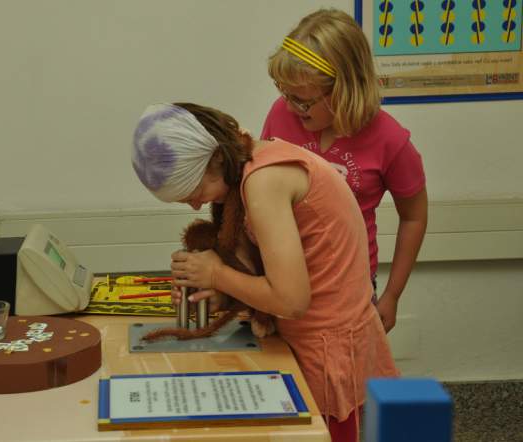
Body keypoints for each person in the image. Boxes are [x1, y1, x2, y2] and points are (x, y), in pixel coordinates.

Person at [131, 102, 398, 442]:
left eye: (194, 192)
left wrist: (216, 275)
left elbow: (291, 299)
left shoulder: (264, 181)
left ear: (215, 159)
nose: (197, 205)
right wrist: (224, 294)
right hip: (308, 335)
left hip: (326, 345)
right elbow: (273, 269)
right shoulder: (256, 162)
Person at [262, 9, 428, 333]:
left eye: (303, 101)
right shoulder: (282, 113)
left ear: (345, 89)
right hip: (282, 281)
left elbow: (414, 217)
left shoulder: (390, 139)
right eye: (285, 93)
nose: (291, 107)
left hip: (349, 289)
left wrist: (392, 295)